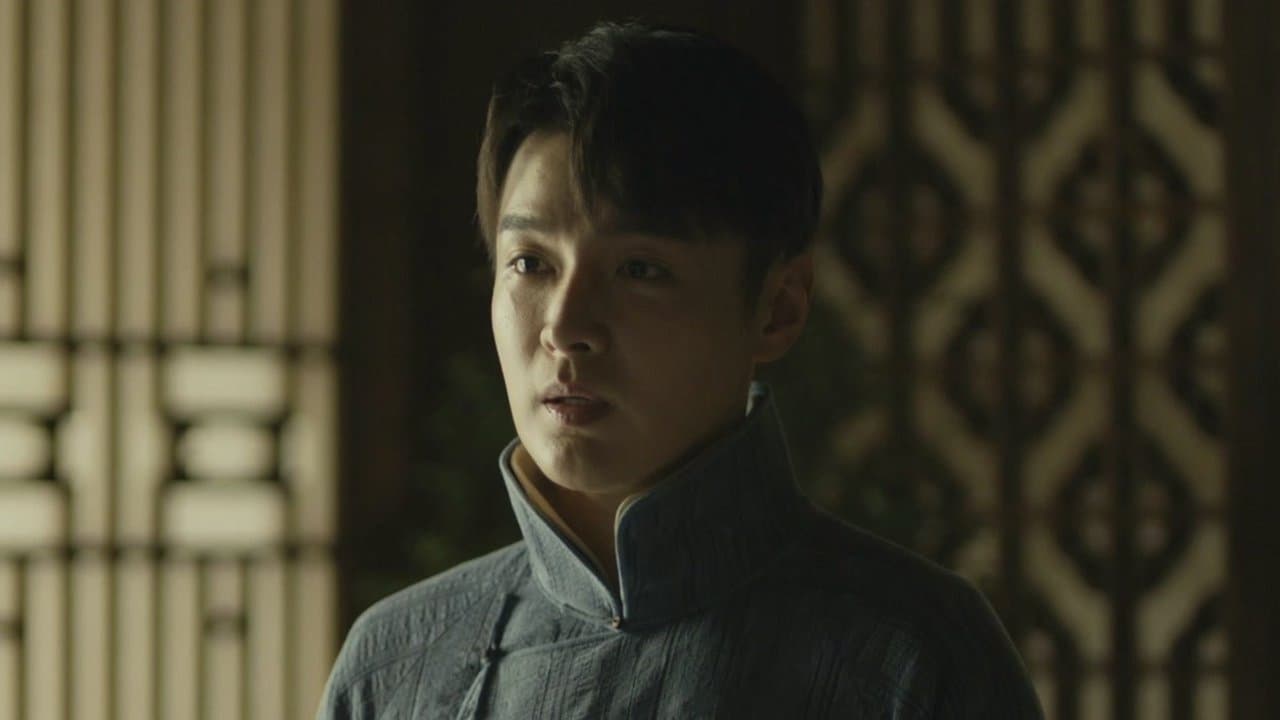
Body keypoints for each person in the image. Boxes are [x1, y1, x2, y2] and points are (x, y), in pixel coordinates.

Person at [317, 21, 1044, 719]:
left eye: (639, 269)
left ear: (777, 308)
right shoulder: (395, 666)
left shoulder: (911, 657)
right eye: (530, 264)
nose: (565, 328)